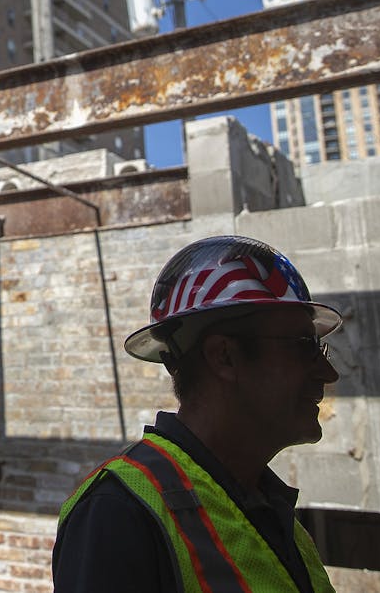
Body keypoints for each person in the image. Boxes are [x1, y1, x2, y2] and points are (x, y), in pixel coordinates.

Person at [53, 235, 341, 593]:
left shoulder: (266, 507)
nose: (328, 373)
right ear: (225, 357)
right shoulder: (119, 512)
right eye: (303, 347)